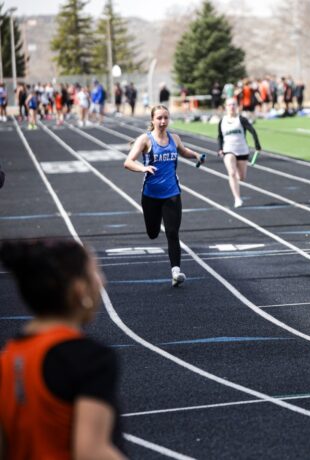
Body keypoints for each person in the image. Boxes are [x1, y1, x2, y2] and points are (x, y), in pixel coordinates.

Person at [0, 239, 125, 459]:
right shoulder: (89, 359)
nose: (103, 282)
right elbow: (90, 451)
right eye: (96, 272)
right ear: (79, 289)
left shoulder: (7, 358)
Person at [123, 105, 203, 285]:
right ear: (152, 120)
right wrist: (143, 167)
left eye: (166, 118)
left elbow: (183, 151)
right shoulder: (145, 140)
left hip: (172, 193)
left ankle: (176, 272)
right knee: (153, 233)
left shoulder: (174, 138)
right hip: (150, 195)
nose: (163, 121)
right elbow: (128, 162)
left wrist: (196, 155)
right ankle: (156, 220)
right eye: (159, 118)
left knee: (173, 233)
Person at [218, 98, 262, 208]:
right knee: (232, 173)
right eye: (229, 105)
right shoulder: (222, 121)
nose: (232, 107)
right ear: (226, 107)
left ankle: (235, 182)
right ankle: (237, 198)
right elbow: (220, 136)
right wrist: (220, 148)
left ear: (237, 106)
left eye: (234, 104)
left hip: (242, 150)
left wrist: (257, 145)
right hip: (228, 150)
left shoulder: (241, 119)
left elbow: (253, 131)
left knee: (241, 177)